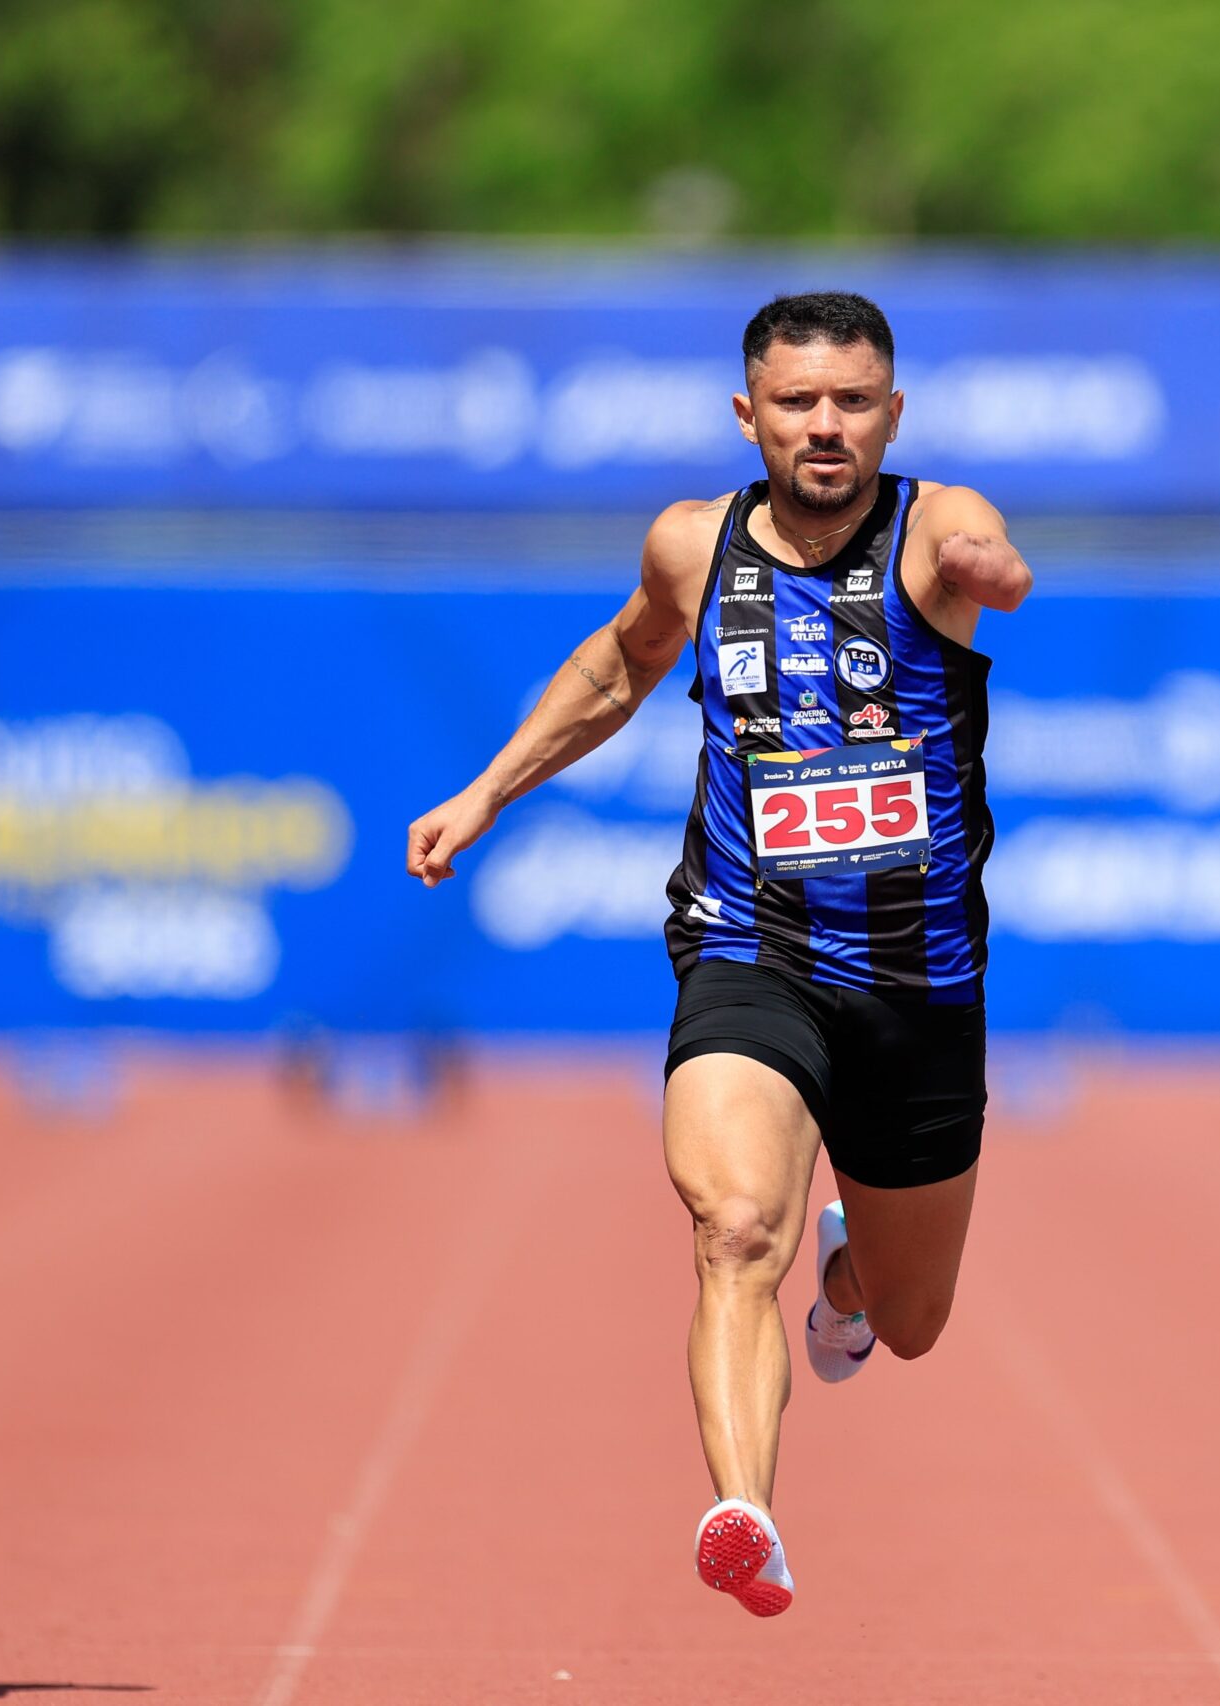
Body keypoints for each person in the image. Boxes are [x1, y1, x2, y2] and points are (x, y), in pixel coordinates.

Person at [407, 291, 1029, 1615]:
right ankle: (746, 1508)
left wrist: (989, 563)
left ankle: (852, 1270)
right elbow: (616, 671)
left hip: (920, 983)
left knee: (912, 1323)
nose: (824, 425)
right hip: (751, 948)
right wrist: (487, 791)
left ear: (892, 416)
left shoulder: (932, 534)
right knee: (735, 1223)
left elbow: (989, 552)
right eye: (797, 401)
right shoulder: (695, 547)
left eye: (853, 402)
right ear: (747, 413)